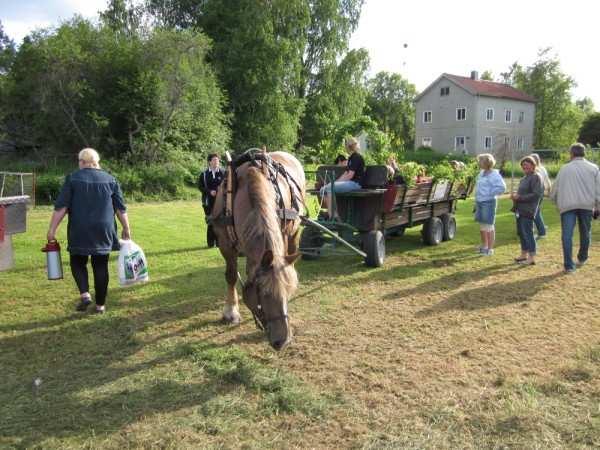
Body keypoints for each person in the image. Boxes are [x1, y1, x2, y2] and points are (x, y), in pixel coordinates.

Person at [47, 148, 130, 314]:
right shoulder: (110, 179)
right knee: (100, 265)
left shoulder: (72, 179)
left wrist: (52, 230)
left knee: (77, 262)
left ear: (82, 162)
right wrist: (126, 227)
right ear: (97, 162)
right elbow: (120, 208)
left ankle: (85, 295)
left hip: (80, 228)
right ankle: (100, 306)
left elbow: (61, 207)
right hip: (104, 229)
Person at [550, 143, 600, 273]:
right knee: (585, 232)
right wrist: (598, 205)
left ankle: (569, 265)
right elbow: (598, 189)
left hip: (567, 205)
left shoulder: (565, 168)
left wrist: (554, 200)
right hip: (587, 205)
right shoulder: (594, 168)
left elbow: (555, 188)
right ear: (584, 153)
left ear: (571, 154)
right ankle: (582, 257)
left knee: (567, 235)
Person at [320, 137, 365, 219]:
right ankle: (330, 212)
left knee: (330, 188)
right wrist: (334, 182)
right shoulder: (351, 158)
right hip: (349, 183)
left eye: (346, 146)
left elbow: (350, 175)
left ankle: (333, 215)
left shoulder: (357, 157)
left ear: (349, 147)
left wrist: (333, 184)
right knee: (323, 190)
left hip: (355, 184)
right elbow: (346, 173)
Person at [510, 156, 544, 266]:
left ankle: (532, 256)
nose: (525, 167)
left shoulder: (536, 177)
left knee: (528, 232)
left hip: (528, 210)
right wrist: (515, 196)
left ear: (533, 165)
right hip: (520, 209)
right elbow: (523, 192)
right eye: (523, 165)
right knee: (521, 233)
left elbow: (536, 194)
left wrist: (519, 198)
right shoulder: (525, 178)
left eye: (527, 164)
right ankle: (523, 254)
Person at [474, 153, 506, 256]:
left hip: (488, 202)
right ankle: (484, 246)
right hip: (480, 201)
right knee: (482, 225)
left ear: (487, 162)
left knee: (489, 225)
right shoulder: (481, 173)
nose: (479, 163)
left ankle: (490, 249)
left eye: (481, 161)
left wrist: (489, 193)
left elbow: (502, 187)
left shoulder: (494, 174)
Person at [198, 153, 225, 248]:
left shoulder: (223, 172)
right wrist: (210, 191)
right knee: (211, 221)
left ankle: (218, 242)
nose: (216, 162)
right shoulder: (204, 174)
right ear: (209, 162)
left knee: (220, 222)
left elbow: (227, 185)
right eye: (214, 160)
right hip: (208, 202)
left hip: (221, 201)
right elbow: (200, 187)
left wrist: (219, 190)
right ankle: (210, 243)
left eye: (217, 160)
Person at [529, 153, 552, 240]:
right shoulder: (542, 168)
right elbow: (547, 180)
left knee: (535, 211)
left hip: (537, 192)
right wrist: (549, 188)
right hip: (541, 192)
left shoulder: (537, 169)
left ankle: (542, 231)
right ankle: (541, 228)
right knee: (536, 210)